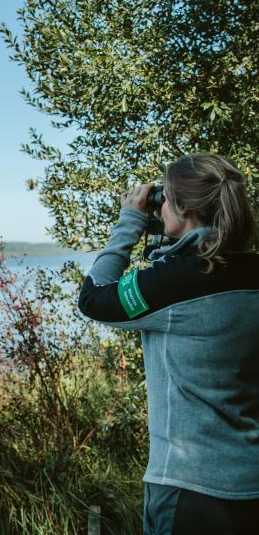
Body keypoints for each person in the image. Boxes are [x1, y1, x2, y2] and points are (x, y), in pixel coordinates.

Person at [77, 152, 259, 534]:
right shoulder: (249, 272)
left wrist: (129, 222)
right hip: (250, 482)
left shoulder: (176, 283)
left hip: (190, 490)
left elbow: (93, 298)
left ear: (183, 207)